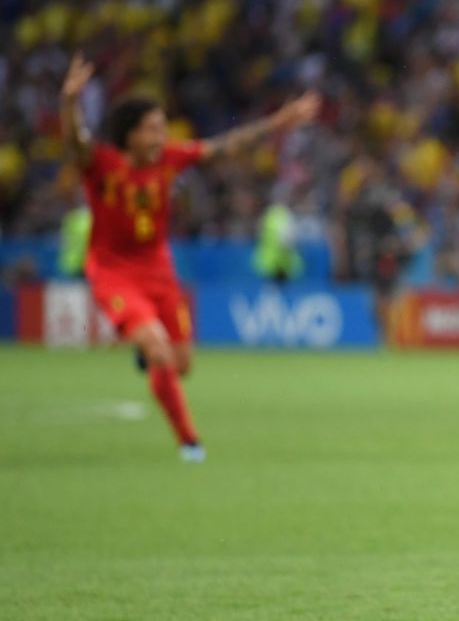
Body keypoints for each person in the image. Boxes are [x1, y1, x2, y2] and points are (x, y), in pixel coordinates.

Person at [60, 54, 320, 462]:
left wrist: (279, 123)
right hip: (114, 273)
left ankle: (150, 354)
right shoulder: (103, 165)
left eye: (162, 127)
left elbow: (225, 148)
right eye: (152, 128)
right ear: (129, 135)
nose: (161, 135)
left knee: (180, 365)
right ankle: (189, 441)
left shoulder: (170, 158)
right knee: (159, 350)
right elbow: (76, 142)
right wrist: (70, 104)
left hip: (158, 270)